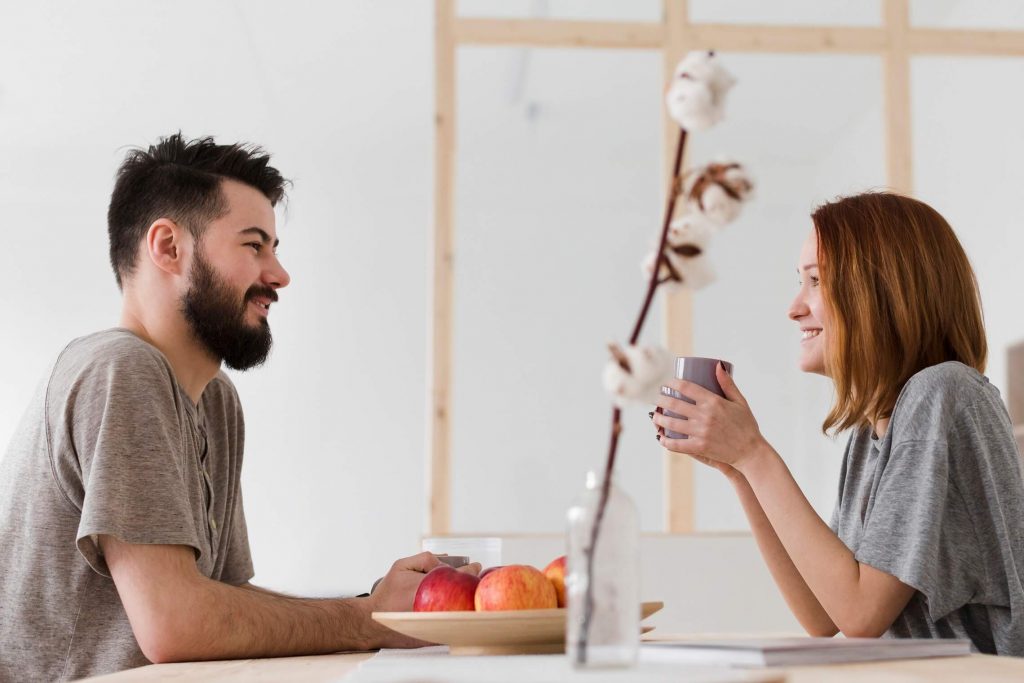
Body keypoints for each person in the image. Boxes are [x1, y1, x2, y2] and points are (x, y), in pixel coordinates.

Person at [0, 134, 477, 682]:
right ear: (168, 247)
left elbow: (220, 602)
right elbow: (176, 625)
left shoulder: (215, 401)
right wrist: (369, 619)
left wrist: (375, 604)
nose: (279, 274)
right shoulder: (119, 369)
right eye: (254, 246)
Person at [652, 192, 1024, 655]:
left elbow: (861, 615)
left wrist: (754, 452)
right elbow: (822, 615)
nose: (794, 308)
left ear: (881, 291)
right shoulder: (872, 431)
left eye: (815, 281)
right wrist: (739, 468)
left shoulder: (942, 393)